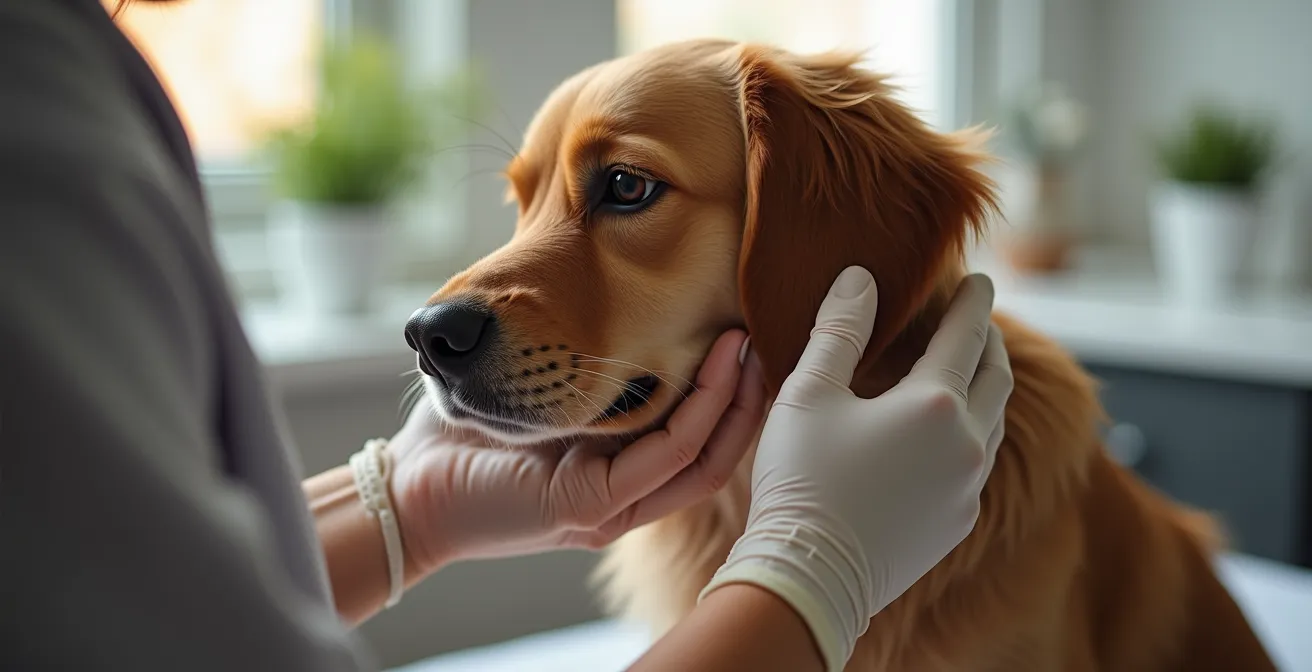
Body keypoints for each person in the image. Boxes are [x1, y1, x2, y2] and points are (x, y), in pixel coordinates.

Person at [0, 1, 1013, 671]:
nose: (469, 300)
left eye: (624, 189)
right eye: (527, 206)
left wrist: (408, 502)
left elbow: (148, 612)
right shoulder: (32, 86)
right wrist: (813, 574)